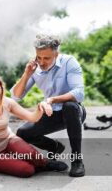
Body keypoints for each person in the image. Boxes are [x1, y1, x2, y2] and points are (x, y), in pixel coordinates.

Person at [10, 34, 86, 177]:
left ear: (56, 54)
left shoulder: (69, 62)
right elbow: (16, 96)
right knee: (22, 133)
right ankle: (54, 146)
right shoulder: (35, 69)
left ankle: (77, 161)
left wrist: (52, 100)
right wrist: (27, 74)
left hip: (73, 112)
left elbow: (79, 93)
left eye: (46, 58)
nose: (42, 62)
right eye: (39, 57)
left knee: (70, 106)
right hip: (51, 113)